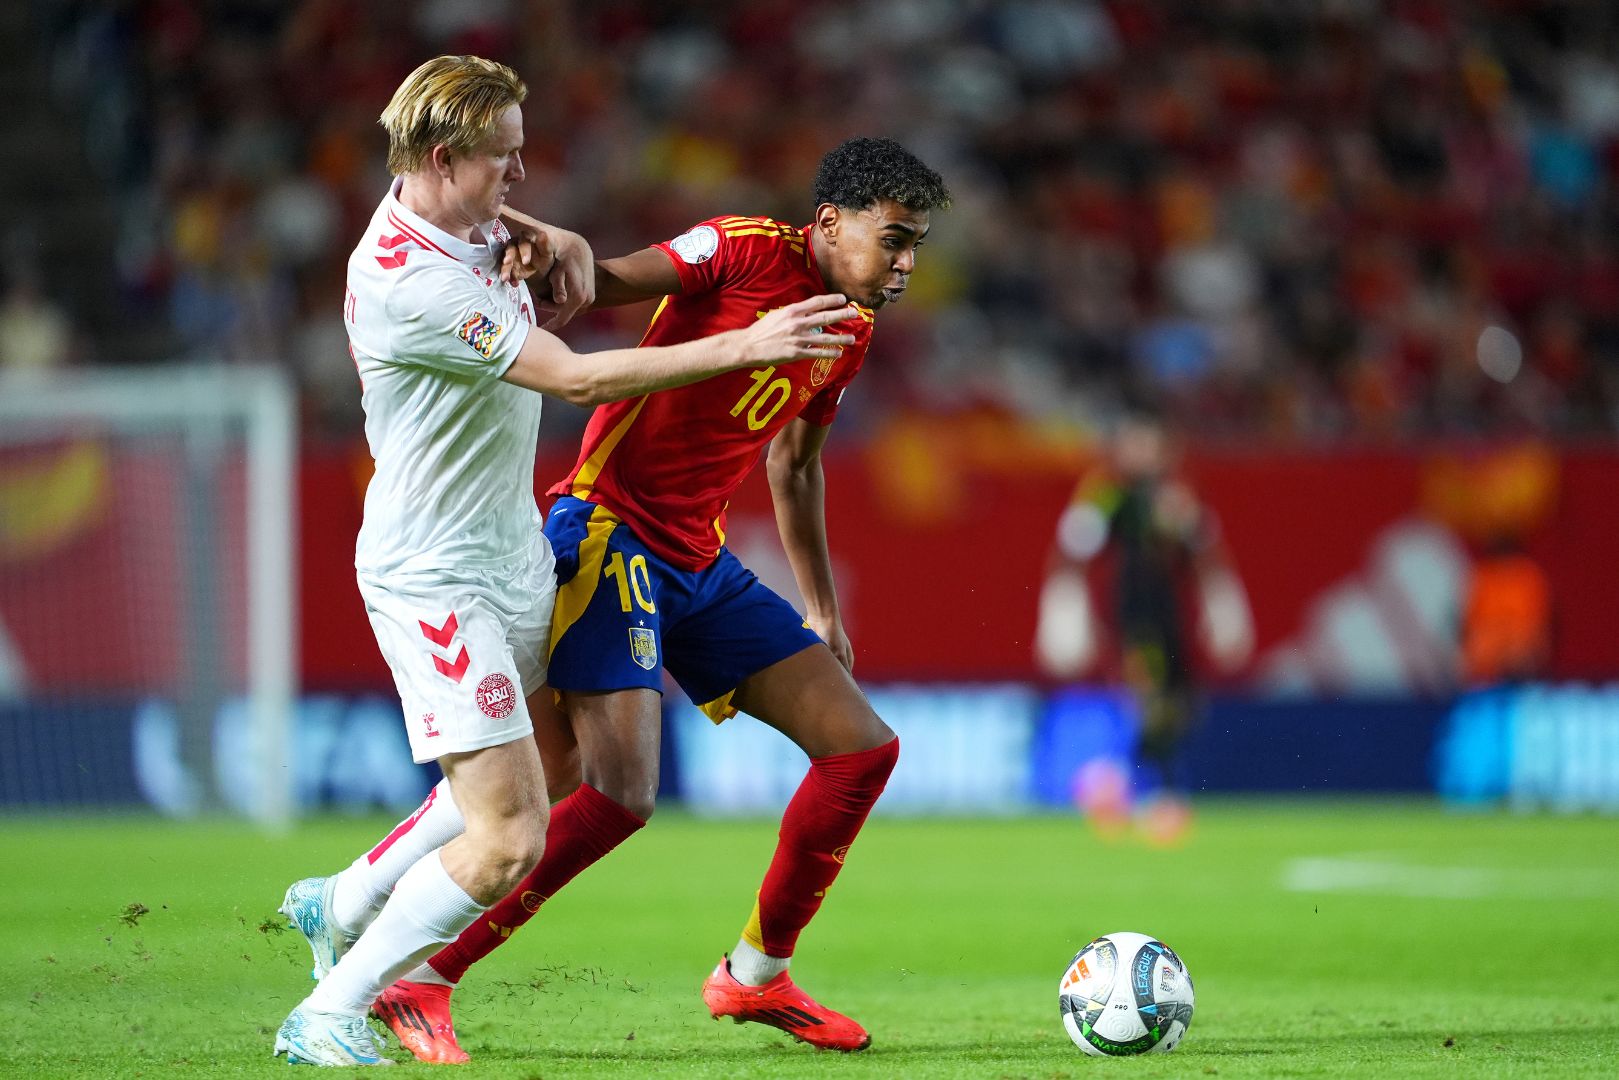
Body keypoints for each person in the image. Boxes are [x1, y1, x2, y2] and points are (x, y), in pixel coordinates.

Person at [272, 54, 857, 1067]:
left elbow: (561, 256)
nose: (520, 176)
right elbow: (579, 380)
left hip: (508, 557)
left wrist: (568, 243)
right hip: (433, 577)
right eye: (503, 159)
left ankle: (346, 897)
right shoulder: (408, 279)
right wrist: (741, 346)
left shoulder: (465, 220)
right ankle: (330, 1008)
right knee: (507, 836)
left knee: (557, 762)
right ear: (443, 158)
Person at [356, 136, 951, 1063]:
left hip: (698, 559)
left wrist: (821, 607)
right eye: (896, 239)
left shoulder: (852, 328)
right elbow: (611, 279)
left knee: (861, 752)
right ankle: (422, 976)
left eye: (917, 245)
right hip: (605, 531)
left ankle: (752, 978)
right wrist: (547, 241)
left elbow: (795, 464)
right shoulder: (745, 246)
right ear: (829, 223)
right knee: (615, 794)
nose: (908, 263)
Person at [1035, 409, 1252, 843]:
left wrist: (1224, 607)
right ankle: (1162, 796)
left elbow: (1205, 554)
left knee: (1180, 703)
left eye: (1150, 443)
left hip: (1170, 613)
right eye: (1134, 443)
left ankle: (1107, 780)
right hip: (1132, 613)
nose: (1142, 452)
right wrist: (1063, 609)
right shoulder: (1106, 495)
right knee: (1151, 698)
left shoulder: (1178, 496)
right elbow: (1073, 552)